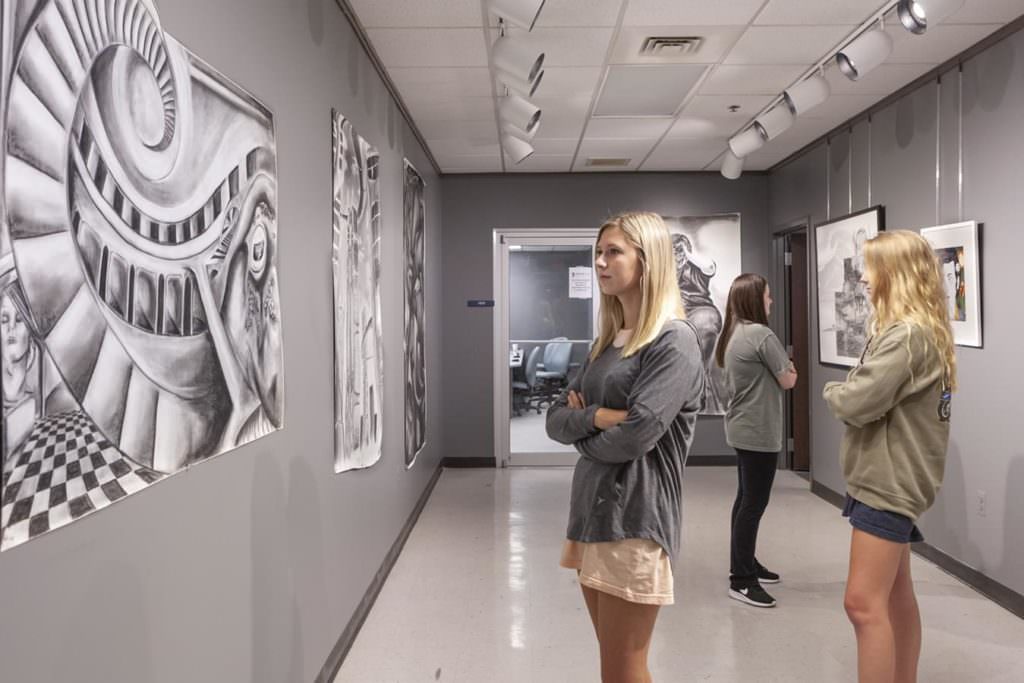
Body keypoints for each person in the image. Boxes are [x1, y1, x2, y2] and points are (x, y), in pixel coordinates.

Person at [546, 212, 704, 683]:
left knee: (623, 667)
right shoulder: (606, 343)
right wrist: (595, 417)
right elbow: (555, 420)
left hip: (635, 517)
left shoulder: (674, 341)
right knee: (614, 665)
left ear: (647, 259)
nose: (600, 262)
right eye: (599, 252)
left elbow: (638, 435)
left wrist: (584, 436)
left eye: (613, 251)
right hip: (592, 514)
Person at [823, 230, 956, 683]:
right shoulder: (920, 332)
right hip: (891, 479)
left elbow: (857, 401)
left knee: (861, 604)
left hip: (888, 484)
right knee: (896, 598)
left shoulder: (905, 337)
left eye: (870, 266)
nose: (862, 276)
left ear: (895, 274)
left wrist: (832, 391)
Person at [715, 274, 797, 608]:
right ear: (754, 300)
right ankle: (742, 579)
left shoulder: (733, 333)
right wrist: (789, 366)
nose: (771, 301)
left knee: (745, 499)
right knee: (753, 504)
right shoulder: (760, 334)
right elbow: (789, 379)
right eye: (767, 295)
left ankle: (746, 563)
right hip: (758, 431)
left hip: (742, 428)